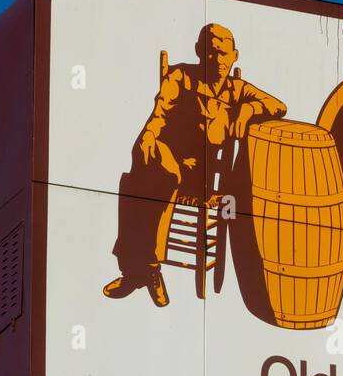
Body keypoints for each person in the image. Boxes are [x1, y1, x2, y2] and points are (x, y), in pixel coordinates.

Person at [103, 23, 288, 306]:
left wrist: (248, 109)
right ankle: (144, 270)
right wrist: (148, 137)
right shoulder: (180, 76)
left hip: (202, 177)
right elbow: (159, 114)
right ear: (200, 52)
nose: (218, 60)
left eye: (224, 53)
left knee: (145, 181)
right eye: (212, 52)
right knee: (141, 173)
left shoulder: (238, 90)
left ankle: (139, 271)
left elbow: (278, 106)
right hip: (167, 160)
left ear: (235, 55)